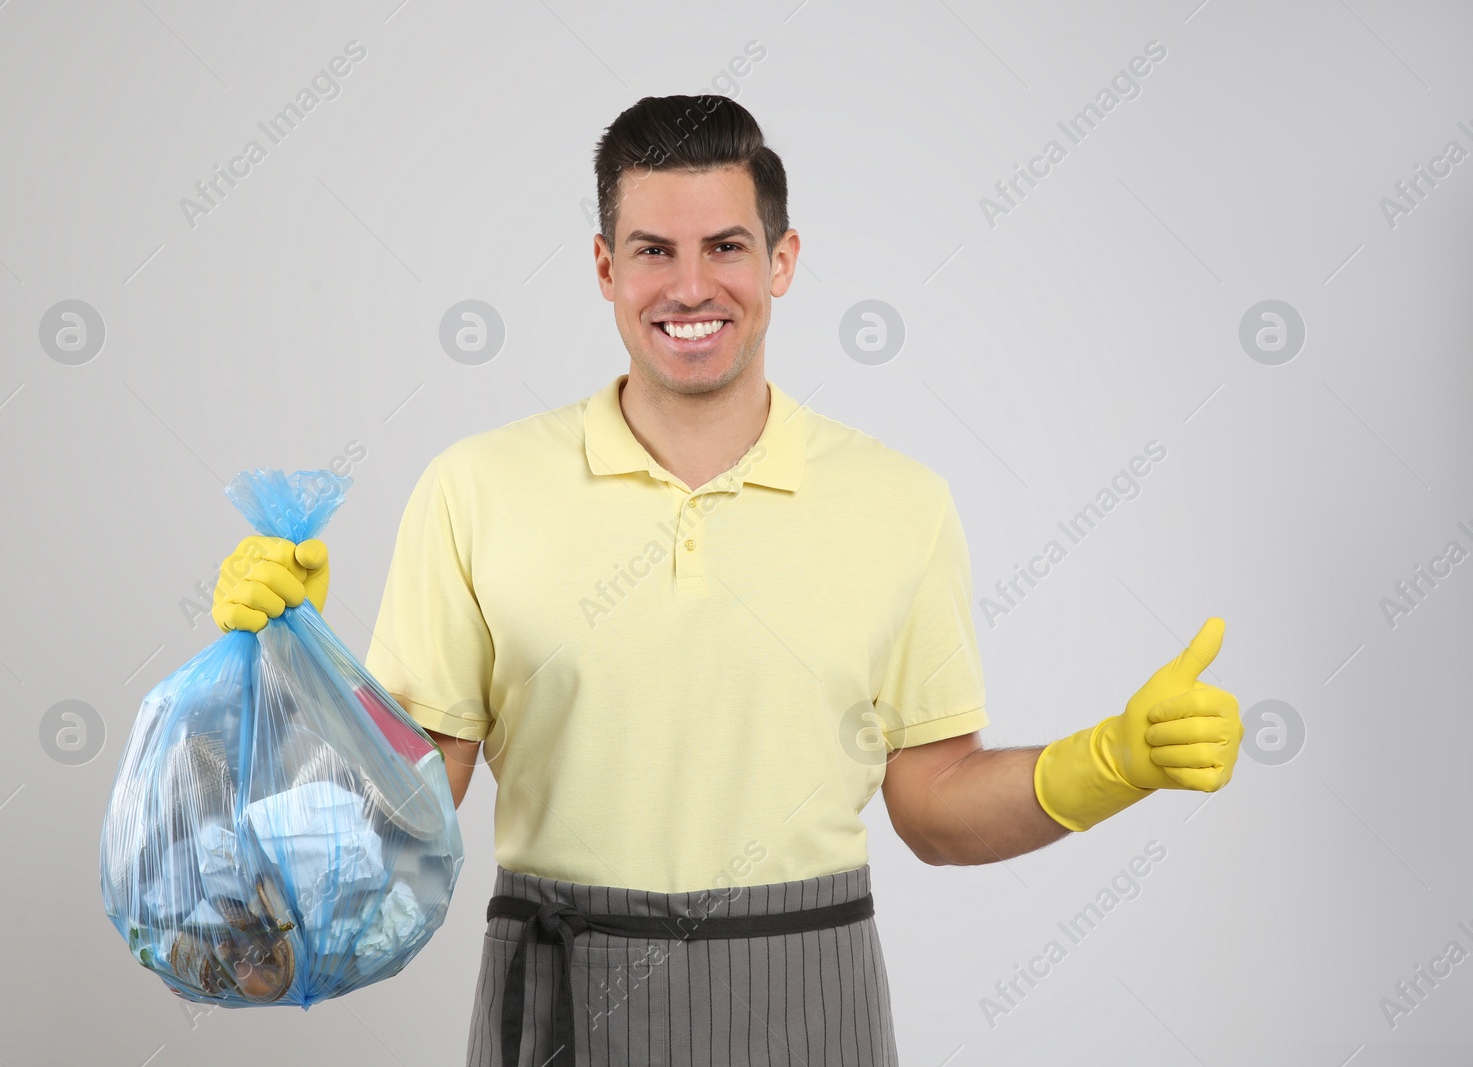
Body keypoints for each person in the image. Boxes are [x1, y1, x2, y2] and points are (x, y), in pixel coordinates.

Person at [211, 94, 1243, 1067]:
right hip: (566, 1003)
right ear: (605, 266)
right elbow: (409, 802)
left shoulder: (899, 502)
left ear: (782, 260)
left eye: (726, 247)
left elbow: (931, 805)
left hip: (811, 1000)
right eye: (654, 250)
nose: (691, 287)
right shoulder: (475, 488)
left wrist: (1108, 762)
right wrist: (296, 663)